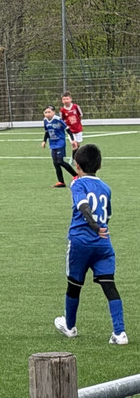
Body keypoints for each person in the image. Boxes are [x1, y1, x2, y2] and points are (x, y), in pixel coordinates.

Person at [54, 143, 127, 345]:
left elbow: (83, 205)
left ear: (77, 166)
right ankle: (120, 333)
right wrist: (100, 227)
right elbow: (108, 214)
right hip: (103, 245)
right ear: (99, 166)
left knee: (74, 285)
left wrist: (93, 226)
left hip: (81, 242)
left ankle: (70, 327)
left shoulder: (78, 184)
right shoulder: (106, 188)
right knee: (109, 285)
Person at [41, 105, 77, 187]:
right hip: (52, 143)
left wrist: (73, 140)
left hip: (60, 142)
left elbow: (68, 129)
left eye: (49, 112)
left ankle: (75, 175)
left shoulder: (58, 119)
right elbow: (47, 131)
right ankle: (61, 182)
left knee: (60, 161)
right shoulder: (45, 120)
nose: (47, 114)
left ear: (53, 112)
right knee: (55, 163)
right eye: (45, 112)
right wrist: (44, 141)